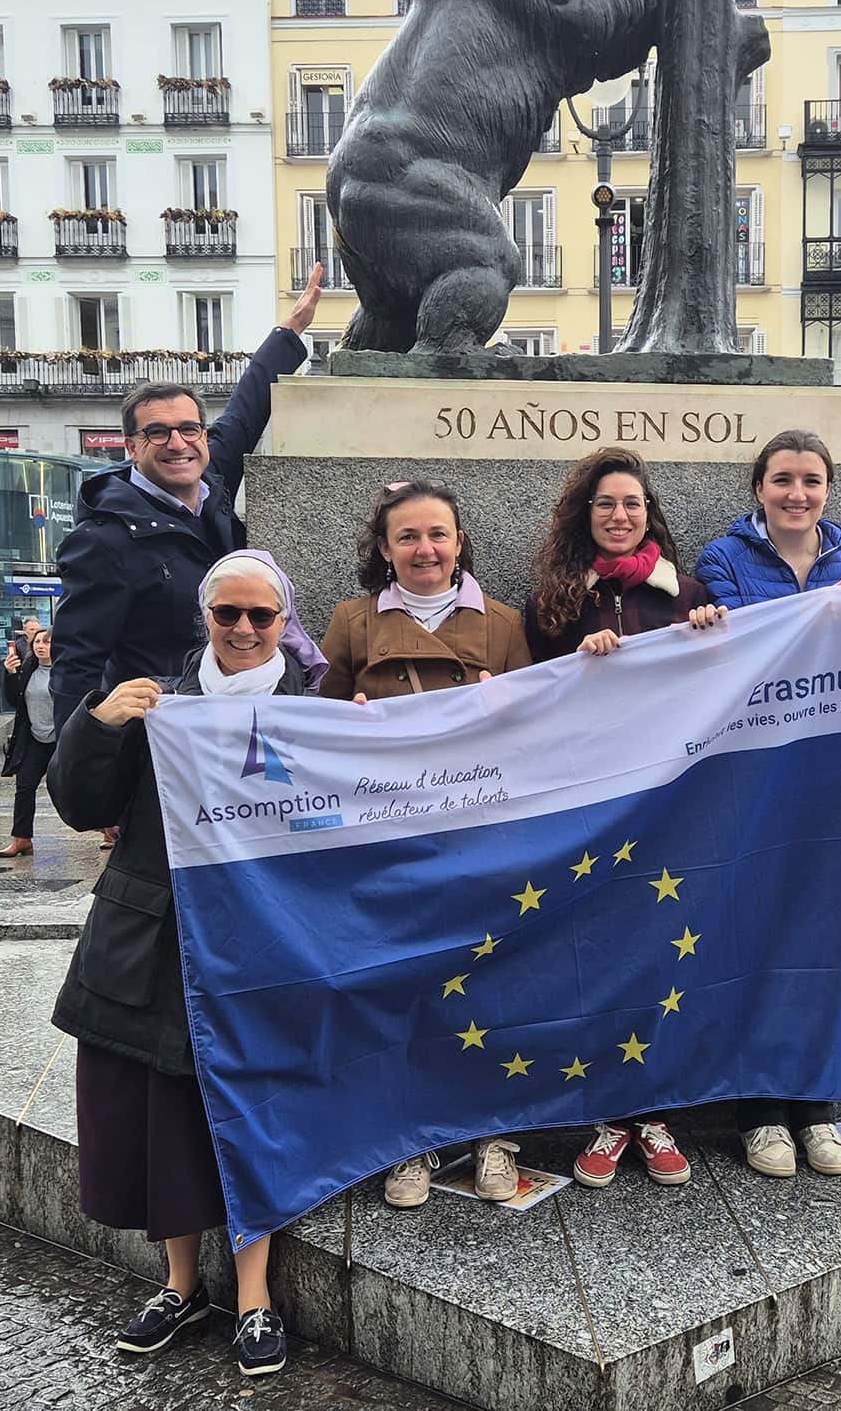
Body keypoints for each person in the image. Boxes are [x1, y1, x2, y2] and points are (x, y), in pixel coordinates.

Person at [47, 551, 328, 1379]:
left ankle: (253, 1297)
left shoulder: (312, 713)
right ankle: (179, 1284)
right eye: (226, 614)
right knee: (164, 1120)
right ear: (203, 617)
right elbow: (83, 805)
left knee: (251, 1117)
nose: (242, 630)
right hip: (157, 946)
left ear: (285, 622)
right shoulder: (157, 702)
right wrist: (99, 724)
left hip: (261, 946)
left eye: (261, 616)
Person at [320, 478, 531, 1209]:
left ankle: (496, 1133)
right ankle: (413, 1139)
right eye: (407, 536)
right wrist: (347, 722)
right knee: (407, 986)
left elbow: (537, 733)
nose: (425, 549)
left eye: (438, 534)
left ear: (460, 541)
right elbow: (321, 730)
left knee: (491, 980)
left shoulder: (503, 625)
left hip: (480, 835)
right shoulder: (351, 622)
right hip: (395, 837)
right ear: (384, 548)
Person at [694, 428, 841, 1182]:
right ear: (759, 488)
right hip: (754, 777)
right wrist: (710, 630)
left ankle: (817, 1106)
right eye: (782, 480)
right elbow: (727, 662)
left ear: (828, 490)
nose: (796, 494)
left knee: (826, 941)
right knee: (753, 939)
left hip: (837, 780)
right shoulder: (723, 561)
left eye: (811, 480)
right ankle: (760, 1112)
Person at [524, 447, 721, 1190]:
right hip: (591, 801)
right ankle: (610, 1115)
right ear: (586, 513)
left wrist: (710, 636)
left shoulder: (688, 592)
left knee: (665, 952)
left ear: (650, 515)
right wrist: (578, 658)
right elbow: (535, 695)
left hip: (672, 802)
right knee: (603, 953)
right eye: (605, 503)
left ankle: (654, 1111)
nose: (618, 515)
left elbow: (717, 687)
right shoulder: (555, 598)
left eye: (631, 503)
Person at [48, 265, 323, 732]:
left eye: (188, 429)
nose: (177, 444)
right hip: (164, 732)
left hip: (241, 710)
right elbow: (77, 659)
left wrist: (289, 332)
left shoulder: (212, 478)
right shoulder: (102, 540)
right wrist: (80, 755)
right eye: (157, 432)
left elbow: (247, 407)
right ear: (131, 447)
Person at [0, 627, 57, 857]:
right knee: (24, 787)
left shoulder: (67, 672)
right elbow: (15, 700)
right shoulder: (28, 669)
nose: (41, 646)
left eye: (47, 642)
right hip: (34, 738)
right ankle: (22, 839)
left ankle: (107, 830)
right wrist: (11, 674)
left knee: (78, 784)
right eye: (37, 642)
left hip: (61, 738)